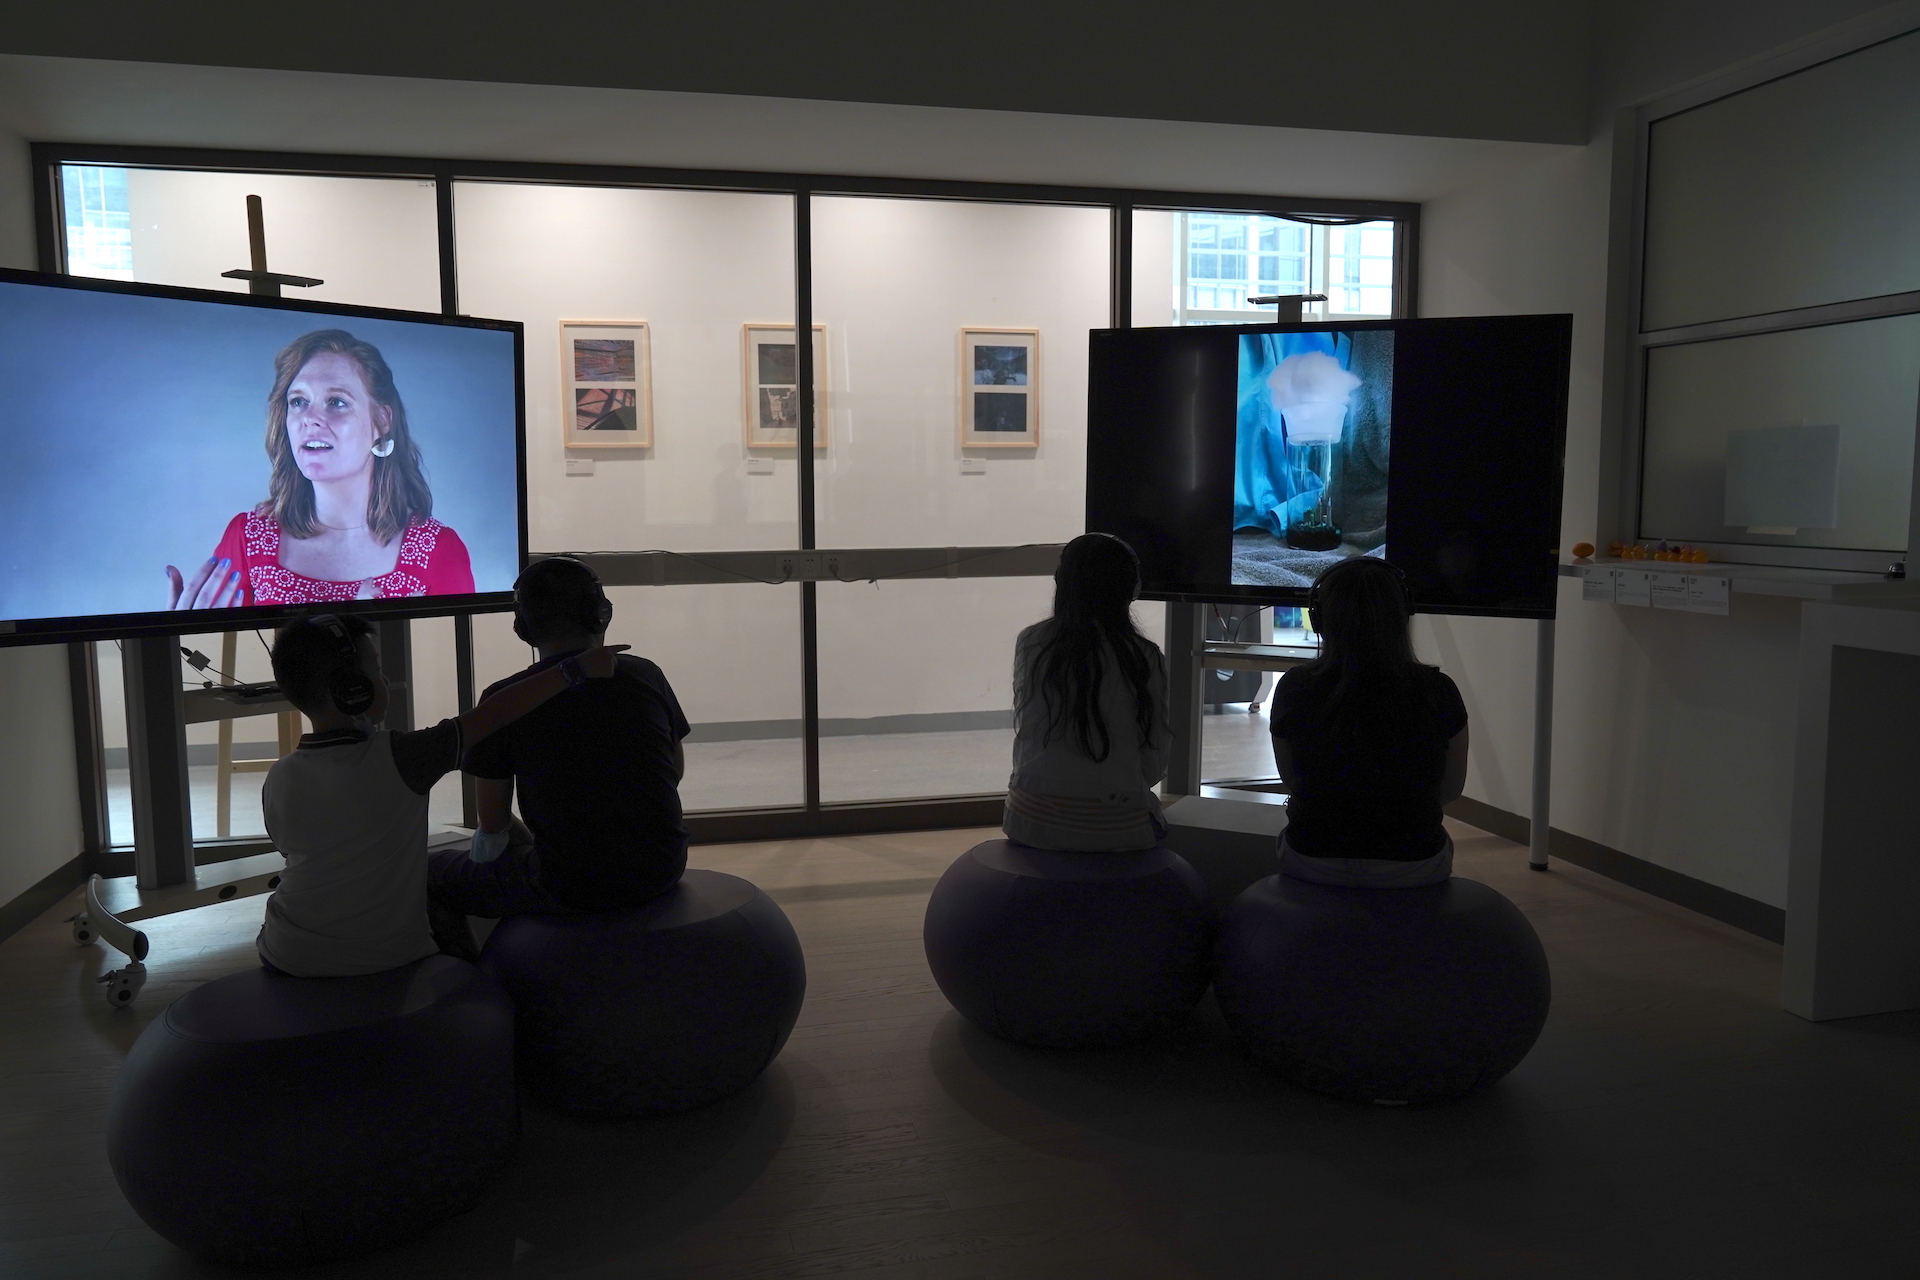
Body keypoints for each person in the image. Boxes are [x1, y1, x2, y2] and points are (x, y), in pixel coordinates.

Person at [256, 613, 625, 977]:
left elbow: (291, 850)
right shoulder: (404, 756)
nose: (384, 678)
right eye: (376, 669)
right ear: (353, 688)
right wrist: (572, 670)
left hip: (284, 952)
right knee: (441, 883)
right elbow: (495, 713)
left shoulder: (278, 776)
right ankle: (474, 979)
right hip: (389, 958)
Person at [427, 557, 691, 960]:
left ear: (524, 627)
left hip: (570, 884)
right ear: (600, 614)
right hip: (663, 867)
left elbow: (493, 825)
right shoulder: (645, 674)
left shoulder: (504, 699)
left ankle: (471, 987)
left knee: (431, 874)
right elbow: (674, 771)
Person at [165, 329, 474, 609]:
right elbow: (222, 658)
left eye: (337, 402)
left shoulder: (439, 549)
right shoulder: (248, 536)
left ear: (381, 421)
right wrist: (184, 632)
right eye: (298, 401)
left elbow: (447, 660)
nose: (309, 418)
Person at [1269, 557, 1469, 888]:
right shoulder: (1440, 690)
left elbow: (1290, 778)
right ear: (1402, 614)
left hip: (1313, 859)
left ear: (1319, 619)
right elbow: (1450, 789)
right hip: (1413, 864)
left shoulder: (1293, 687)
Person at [1004, 533, 1171, 852]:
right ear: (1131, 589)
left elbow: (1025, 730)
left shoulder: (1031, 643)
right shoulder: (1145, 656)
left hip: (1027, 821)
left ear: (1061, 582)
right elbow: (1154, 762)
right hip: (1117, 827)